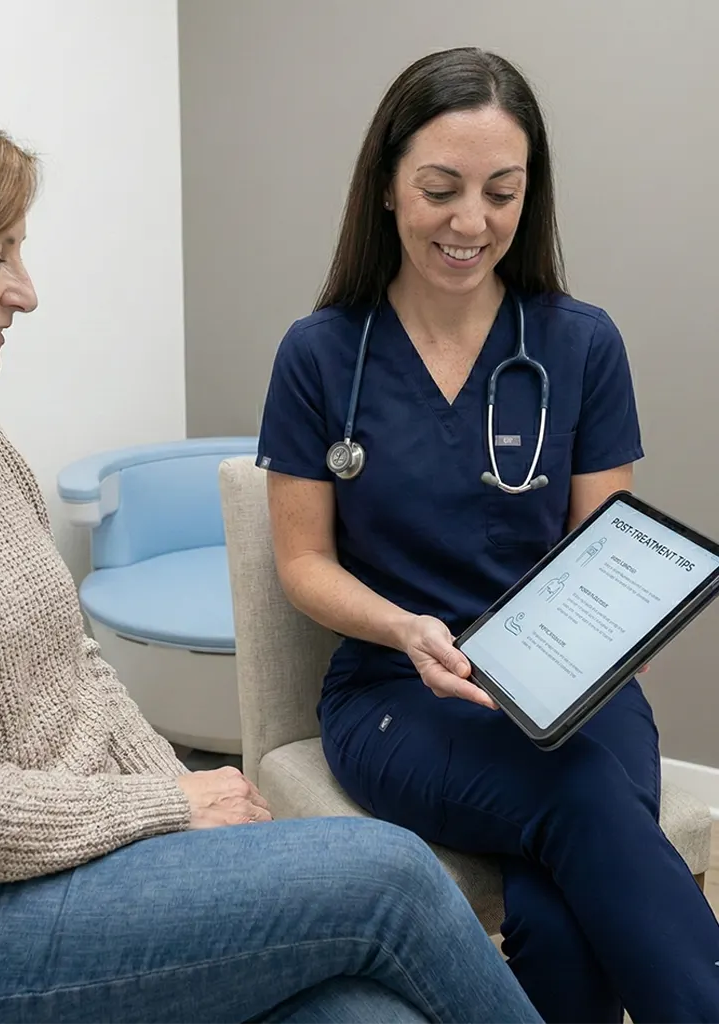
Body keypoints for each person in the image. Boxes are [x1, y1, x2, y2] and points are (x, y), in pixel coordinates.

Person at [0, 85, 542, 1024]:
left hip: (68, 871)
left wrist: (184, 804)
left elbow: (77, 672)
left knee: (363, 1012)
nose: (25, 289)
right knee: (389, 873)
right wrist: (167, 811)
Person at [257, 47, 719, 1024]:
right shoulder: (320, 354)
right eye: (440, 188)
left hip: (573, 685)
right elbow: (301, 563)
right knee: (584, 804)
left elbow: (605, 547)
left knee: (553, 917)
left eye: (500, 193)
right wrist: (405, 628)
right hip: (395, 692)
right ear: (386, 187)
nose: (470, 222)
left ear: (527, 197)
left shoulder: (580, 343)